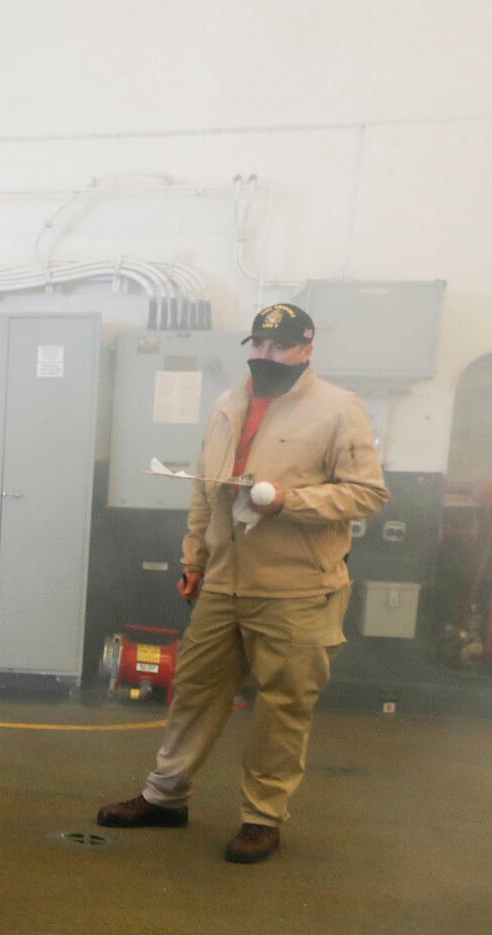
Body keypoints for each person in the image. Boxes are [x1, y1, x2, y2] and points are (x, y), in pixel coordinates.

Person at [97, 303, 388, 863]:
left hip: (297, 589)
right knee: (195, 692)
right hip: (224, 583)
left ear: (306, 349)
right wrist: (194, 560)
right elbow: (206, 491)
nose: (265, 356)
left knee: (282, 707)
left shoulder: (338, 409)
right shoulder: (230, 403)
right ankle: (165, 797)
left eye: (278, 346)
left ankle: (262, 817)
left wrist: (289, 501)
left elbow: (368, 494)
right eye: (257, 344)